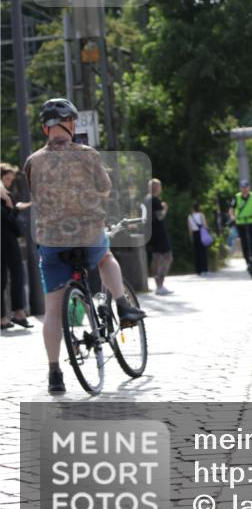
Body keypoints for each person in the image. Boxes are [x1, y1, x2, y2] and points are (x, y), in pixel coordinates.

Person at [25, 98, 146, 394]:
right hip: (88, 235)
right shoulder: (87, 155)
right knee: (105, 257)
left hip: (51, 242)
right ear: (71, 124)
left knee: (53, 310)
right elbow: (105, 188)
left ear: (45, 128)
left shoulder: (32, 161)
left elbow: (36, 193)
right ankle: (122, 304)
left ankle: (55, 374)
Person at [1, 163, 32, 330]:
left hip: (5, 238)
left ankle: (4, 317)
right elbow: (6, 218)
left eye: (10, 180)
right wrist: (15, 207)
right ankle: (18, 312)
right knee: (17, 273)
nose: (9, 183)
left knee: (3, 278)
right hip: (6, 239)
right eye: (6, 179)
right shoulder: (3, 195)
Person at [229, 179, 252, 278]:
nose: (245, 189)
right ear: (241, 188)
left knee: (251, 241)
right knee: (244, 243)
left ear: (249, 187)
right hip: (241, 222)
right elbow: (231, 209)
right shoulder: (236, 197)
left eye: (246, 187)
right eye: (243, 187)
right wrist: (233, 217)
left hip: (251, 221)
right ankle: (247, 261)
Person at [147, 178, 173, 296]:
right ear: (156, 188)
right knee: (167, 257)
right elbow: (159, 216)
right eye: (159, 186)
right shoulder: (155, 200)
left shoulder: (146, 199)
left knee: (157, 258)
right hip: (159, 234)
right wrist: (165, 208)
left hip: (152, 233)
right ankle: (160, 285)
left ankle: (158, 285)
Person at [187, 203, 210, 276]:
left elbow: (190, 229)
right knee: (203, 252)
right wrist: (207, 233)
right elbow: (205, 225)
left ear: (192, 208)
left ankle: (198, 270)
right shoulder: (201, 215)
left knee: (196, 253)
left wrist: (191, 237)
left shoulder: (190, 216)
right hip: (201, 233)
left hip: (194, 234)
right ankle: (205, 269)